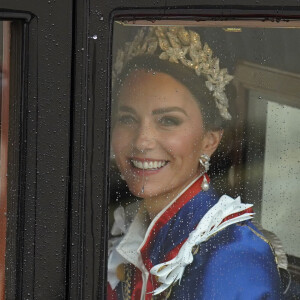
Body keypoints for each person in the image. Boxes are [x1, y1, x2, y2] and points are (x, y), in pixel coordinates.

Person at [107, 26, 282, 299]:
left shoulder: (233, 255)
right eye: (127, 118)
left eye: (168, 121)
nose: (141, 141)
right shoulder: (126, 229)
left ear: (209, 140)